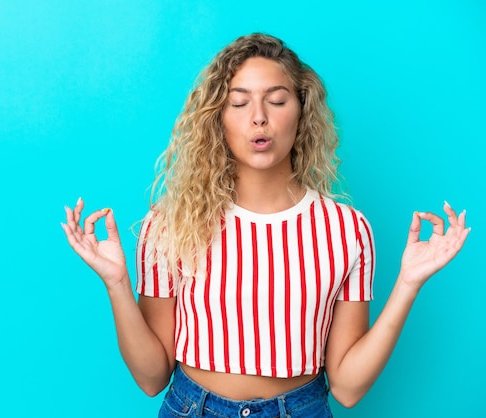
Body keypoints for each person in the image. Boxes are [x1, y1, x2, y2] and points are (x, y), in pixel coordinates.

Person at [61, 33, 470, 417]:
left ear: (302, 110)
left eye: (276, 100)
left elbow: (346, 388)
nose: (259, 118)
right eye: (238, 103)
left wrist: (408, 283)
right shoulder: (170, 224)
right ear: (216, 119)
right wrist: (116, 283)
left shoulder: (347, 230)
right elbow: (151, 379)